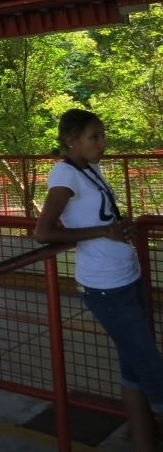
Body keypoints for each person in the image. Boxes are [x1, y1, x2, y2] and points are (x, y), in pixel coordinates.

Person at [35, 110, 163, 452]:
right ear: (70, 141)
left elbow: (99, 213)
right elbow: (43, 232)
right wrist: (104, 231)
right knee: (154, 370)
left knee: (134, 368)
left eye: (102, 136)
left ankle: (144, 440)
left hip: (127, 276)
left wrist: (118, 227)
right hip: (107, 287)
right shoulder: (63, 175)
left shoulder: (90, 168)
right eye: (95, 137)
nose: (102, 143)